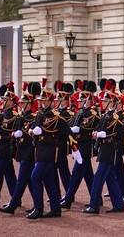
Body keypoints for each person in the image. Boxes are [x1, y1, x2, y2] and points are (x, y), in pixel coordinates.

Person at [28, 78, 71, 219]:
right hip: (40, 150)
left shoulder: (55, 117)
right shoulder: (40, 114)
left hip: (50, 151)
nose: (40, 102)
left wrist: (60, 143)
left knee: (35, 177)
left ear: (49, 102)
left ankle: (38, 208)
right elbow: (34, 128)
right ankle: (56, 209)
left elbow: (67, 132)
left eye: (43, 100)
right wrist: (32, 130)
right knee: (49, 180)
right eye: (40, 100)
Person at [83, 82, 124, 214]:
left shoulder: (114, 117)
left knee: (98, 178)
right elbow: (99, 128)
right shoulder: (106, 115)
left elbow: (120, 134)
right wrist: (96, 133)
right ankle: (118, 204)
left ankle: (94, 206)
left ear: (112, 103)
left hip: (109, 149)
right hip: (104, 148)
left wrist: (102, 134)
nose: (102, 102)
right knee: (111, 178)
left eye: (105, 101)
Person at [0, 82, 38, 214]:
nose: (20, 104)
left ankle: (13, 205)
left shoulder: (32, 117)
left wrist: (19, 133)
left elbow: (30, 132)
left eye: (22, 103)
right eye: (20, 102)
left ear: (28, 104)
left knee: (22, 179)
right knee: (29, 180)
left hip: (29, 151)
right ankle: (37, 205)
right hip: (23, 151)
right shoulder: (22, 116)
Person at [60, 81, 100, 209]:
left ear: (87, 101)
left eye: (81, 101)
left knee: (76, 174)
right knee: (88, 176)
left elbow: (86, 127)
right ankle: (97, 199)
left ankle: (68, 199)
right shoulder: (79, 112)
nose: (79, 103)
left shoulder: (92, 114)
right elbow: (71, 125)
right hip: (79, 145)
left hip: (85, 145)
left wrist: (78, 129)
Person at [54, 82, 74, 198]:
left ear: (65, 102)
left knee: (63, 171)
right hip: (53, 145)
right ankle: (56, 193)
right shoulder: (56, 113)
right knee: (53, 171)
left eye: (59, 100)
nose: (56, 102)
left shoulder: (68, 114)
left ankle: (69, 193)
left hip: (61, 145)